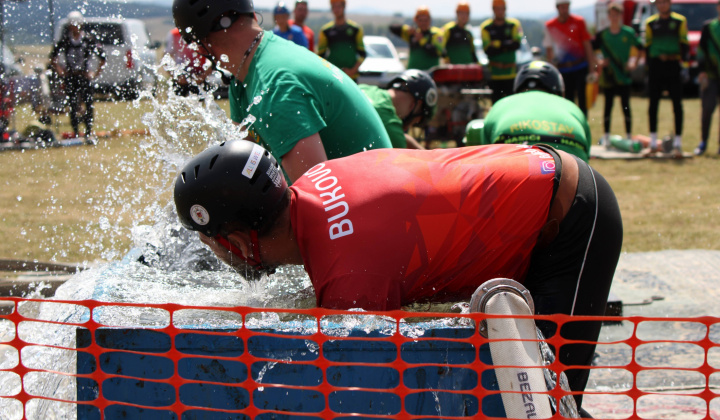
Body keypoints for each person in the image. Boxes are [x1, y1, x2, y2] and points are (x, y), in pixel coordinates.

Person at [174, 138, 622, 411]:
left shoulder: (351, 273)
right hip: (542, 184)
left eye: (211, 243)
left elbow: (367, 389)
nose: (216, 255)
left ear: (237, 239)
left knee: (546, 401)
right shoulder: (313, 184)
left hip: (572, 219)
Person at [172, 0, 391, 182]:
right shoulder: (245, 76)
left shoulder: (274, 85)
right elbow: (246, 170)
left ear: (202, 42)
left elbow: (322, 204)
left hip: (369, 221)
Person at [465, 61, 591, 162]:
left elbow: (487, 156)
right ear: (558, 89)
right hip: (570, 165)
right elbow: (586, 152)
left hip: (514, 166)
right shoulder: (572, 107)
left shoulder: (501, 104)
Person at [49, 11, 106, 138]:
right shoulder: (65, 40)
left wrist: (95, 73)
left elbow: (102, 58)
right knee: (72, 104)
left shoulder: (88, 40)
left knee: (88, 103)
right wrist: (61, 72)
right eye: (72, 25)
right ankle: (75, 131)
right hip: (71, 76)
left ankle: (88, 130)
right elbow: (53, 58)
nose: (74, 27)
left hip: (84, 76)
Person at [593, 2, 642, 146]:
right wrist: (599, 62)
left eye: (617, 15)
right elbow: (593, 51)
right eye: (611, 15)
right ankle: (606, 136)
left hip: (624, 76)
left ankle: (628, 135)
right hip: (608, 77)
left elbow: (641, 48)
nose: (614, 17)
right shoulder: (602, 35)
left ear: (621, 16)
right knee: (608, 106)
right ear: (608, 16)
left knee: (626, 106)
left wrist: (634, 63)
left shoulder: (628, 33)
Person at [644, 0, 688, 157]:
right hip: (656, 67)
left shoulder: (679, 21)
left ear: (670, 3)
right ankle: (654, 143)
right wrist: (648, 69)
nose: (662, 5)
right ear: (656, 5)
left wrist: (686, 66)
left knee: (677, 104)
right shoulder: (650, 22)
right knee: (653, 104)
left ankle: (678, 143)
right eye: (659, 3)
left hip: (673, 66)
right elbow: (647, 47)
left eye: (665, 2)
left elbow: (684, 45)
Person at [543, 0, 597, 116]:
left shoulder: (579, 22)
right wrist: (552, 71)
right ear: (557, 8)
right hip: (563, 70)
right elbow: (549, 50)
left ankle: (583, 125)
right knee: (567, 101)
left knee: (583, 100)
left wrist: (592, 67)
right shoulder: (550, 25)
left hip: (580, 66)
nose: (564, 10)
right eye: (562, 7)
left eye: (566, 7)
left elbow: (587, 44)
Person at [359, 70, 438, 149]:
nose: (409, 126)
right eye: (415, 121)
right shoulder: (388, 125)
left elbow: (401, 137)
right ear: (417, 105)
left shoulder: (365, 88)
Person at [480, 0, 524, 103]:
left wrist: (496, 44)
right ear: (493, 10)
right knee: (496, 104)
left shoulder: (514, 24)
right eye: (497, 9)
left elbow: (516, 45)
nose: (500, 11)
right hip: (495, 75)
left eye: (502, 9)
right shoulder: (486, 27)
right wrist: (506, 44)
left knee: (512, 104)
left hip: (511, 74)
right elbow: (488, 51)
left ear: (505, 9)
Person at [317, 0, 366, 81]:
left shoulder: (356, 29)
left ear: (344, 7)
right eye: (333, 7)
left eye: (339, 6)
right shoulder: (325, 30)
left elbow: (362, 54)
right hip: (333, 78)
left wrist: (352, 71)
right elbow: (320, 56)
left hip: (352, 78)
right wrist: (330, 71)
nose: (336, 9)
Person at [695, 1, 720, 156]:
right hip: (710, 76)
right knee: (707, 109)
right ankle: (703, 142)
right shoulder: (709, 27)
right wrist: (701, 71)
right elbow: (701, 50)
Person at [390, 6, 444, 71]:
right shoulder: (413, 33)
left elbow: (437, 53)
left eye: (426, 20)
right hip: (412, 73)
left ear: (430, 20)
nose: (423, 23)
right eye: (420, 20)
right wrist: (407, 29)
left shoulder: (436, 33)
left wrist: (422, 40)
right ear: (416, 20)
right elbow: (392, 28)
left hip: (430, 73)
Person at [165, 27, 211, 97]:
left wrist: (203, 76)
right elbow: (166, 59)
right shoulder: (174, 34)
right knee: (178, 104)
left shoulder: (204, 33)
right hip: (180, 75)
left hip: (199, 75)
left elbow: (214, 59)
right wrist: (176, 76)